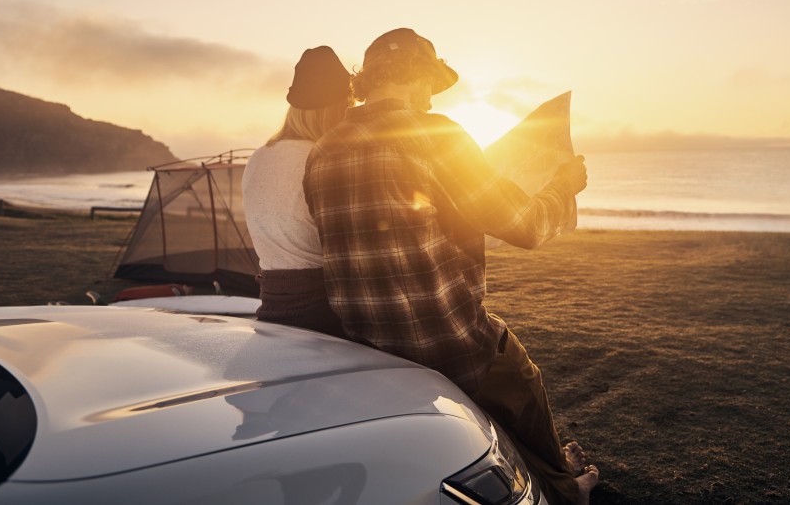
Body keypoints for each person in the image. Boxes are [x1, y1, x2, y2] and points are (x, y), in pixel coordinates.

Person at [303, 28, 599, 504]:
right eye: (429, 84)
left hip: (371, 348)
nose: (429, 98)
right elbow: (523, 226)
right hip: (449, 342)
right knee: (521, 381)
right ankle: (567, 490)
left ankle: (556, 468)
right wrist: (562, 187)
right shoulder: (432, 134)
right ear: (418, 77)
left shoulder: (323, 149)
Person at [243, 45, 352, 338]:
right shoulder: (322, 158)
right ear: (336, 108)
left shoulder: (260, 156)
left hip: (272, 302)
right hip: (323, 310)